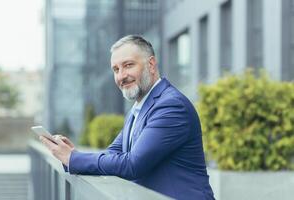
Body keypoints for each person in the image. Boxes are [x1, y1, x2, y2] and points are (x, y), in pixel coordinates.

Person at [40, 35, 215, 200]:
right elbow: (113, 154)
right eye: (116, 69)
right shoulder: (138, 109)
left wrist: (73, 159)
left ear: (151, 64)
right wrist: (74, 155)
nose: (121, 76)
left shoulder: (171, 106)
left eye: (128, 65)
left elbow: (133, 164)